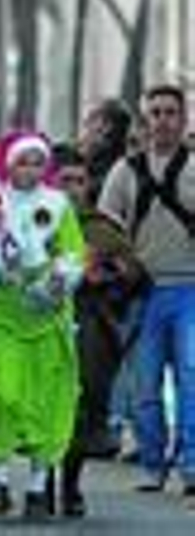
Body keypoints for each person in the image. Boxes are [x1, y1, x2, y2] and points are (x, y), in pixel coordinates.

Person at [0, 135, 84, 519]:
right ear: (10, 165)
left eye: (37, 162)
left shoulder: (57, 203)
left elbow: (73, 253)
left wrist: (56, 282)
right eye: (23, 162)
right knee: (2, 393)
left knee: (45, 402)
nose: (29, 170)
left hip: (47, 317)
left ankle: (36, 487)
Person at [97, 85, 195, 496]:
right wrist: (118, 265)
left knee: (193, 380)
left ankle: (192, 467)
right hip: (143, 294)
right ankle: (154, 464)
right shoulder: (125, 171)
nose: (162, 120)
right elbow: (104, 226)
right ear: (144, 121)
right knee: (145, 388)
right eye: (154, 112)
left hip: (191, 288)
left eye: (170, 112)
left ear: (184, 119)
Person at [53, 143, 145, 517]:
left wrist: (106, 271)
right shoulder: (30, 215)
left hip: (90, 322)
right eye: (64, 180)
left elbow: (136, 273)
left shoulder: (101, 227)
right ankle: (34, 485)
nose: (72, 188)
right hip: (36, 323)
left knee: (82, 407)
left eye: (78, 180)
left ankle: (70, 486)